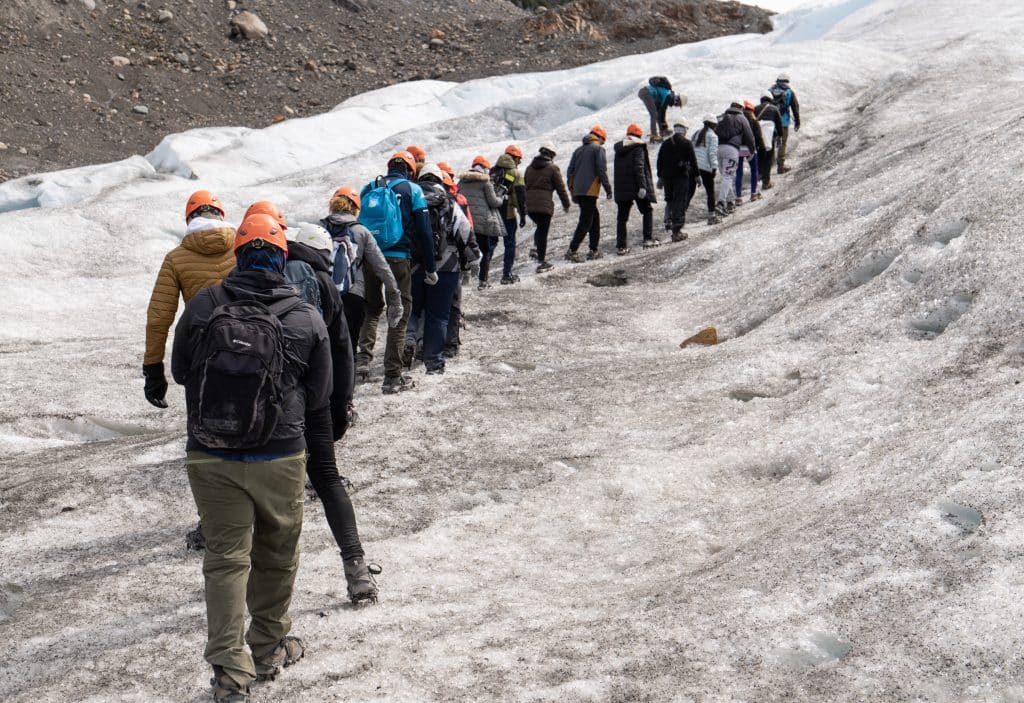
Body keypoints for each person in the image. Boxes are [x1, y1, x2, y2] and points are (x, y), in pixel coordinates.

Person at [171, 213, 333, 702]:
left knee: (225, 560)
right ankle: (266, 649)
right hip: (280, 456)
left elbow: (180, 371)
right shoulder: (305, 315)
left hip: (210, 453)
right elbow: (320, 393)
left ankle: (229, 671)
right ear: (283, 258)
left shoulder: (203, 306)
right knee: (277, 556)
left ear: (237, 254)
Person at [284, 222, 378, 603]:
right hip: (315, 402)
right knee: (327, 478)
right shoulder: (324, 285)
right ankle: (356, 568)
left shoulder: (251, 281)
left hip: (268, 405)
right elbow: (342, 350)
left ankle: (252, 579)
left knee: (269, 489)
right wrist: (340, 407)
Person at [143, 190, 235, 409]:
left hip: (200, 349)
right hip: (251, 343)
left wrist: (153, 369)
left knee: (203, 420)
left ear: (189, 219)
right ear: (221, 214)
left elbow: (159, 317)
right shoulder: (243, 248)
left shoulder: (176, 258)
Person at [356, 151, 436, 394]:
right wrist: (430, 267)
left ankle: (363, 361)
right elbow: (424, 231)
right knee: (400, 311)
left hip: (370, 256)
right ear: (410, 170)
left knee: (371, 308)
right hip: (399, 257)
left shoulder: (369, 187)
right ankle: (392, 376)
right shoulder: (413, 190)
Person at [406, 163, 479, 374]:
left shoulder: (411, 200)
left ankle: (409, 341)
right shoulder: (448, 202)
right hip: (447, 266)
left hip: (415, 264)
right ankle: (434, 363)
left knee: (413, 310)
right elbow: (464, 232)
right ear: (440, 179)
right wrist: (473, 260)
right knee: (438, 316)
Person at [319, 186, 403, 359]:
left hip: (323, 295)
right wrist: (394, 298)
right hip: (353, 295)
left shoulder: (319, 228)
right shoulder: (362, 232)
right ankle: (348, 384)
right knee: (348, 349)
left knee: (324, 350)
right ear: (356, 209)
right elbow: (382, 267)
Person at [437, 162, 473, 357]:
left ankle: (424, 344)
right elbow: (467, 231)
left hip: (423, 263)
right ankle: (451, 345)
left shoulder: (419, 199)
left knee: (429, 306)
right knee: (453, 304)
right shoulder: (457, 201)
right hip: (452, 261)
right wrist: (468, 261)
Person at [565, 125, 613, 262]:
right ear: (600, 138)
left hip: (579, 190)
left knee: (594, 218)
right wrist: (608, 188)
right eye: (602, 141)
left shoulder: (578, 150)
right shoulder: (598, 149)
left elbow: (570, 171)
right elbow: (601, 170)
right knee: (586, 220)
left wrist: (572, 189)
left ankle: (594, 249)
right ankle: (572, 250)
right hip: (590, 190)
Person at [458, 155, 505, 290]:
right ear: (485, 168)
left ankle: (463, 279)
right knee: (485, 251)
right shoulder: (486, 183)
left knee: (466, 250)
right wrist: (501, 196)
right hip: (482, 223)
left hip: (465, 222)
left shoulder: (461, 182)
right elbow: (494, 202)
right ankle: (483, 281)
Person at [523, 141, 571, 273]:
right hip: (544, 206)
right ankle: (541, 262)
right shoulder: (552, 168)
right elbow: (561, 188)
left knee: (540, 227)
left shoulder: (529, 168)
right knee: (543, 231)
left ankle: (536, 249)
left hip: (530, 206)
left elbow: (525, 185)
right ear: (551, 154)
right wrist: (566, 204)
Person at [612, 123, 658, 254]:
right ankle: (647, 239)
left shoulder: (620, 149)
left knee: (622, 218)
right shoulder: (638, 148)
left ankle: (621, 247)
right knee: (647, 211)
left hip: (622, 188)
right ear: (639, 135)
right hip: (636, 187)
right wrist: (643, 186)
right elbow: (639, 167)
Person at [656, 120, 699, 241]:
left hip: (667, 178)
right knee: (680, 201)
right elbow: (693, 161)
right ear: (684, 129)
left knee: (669, 199)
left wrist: (660, 176)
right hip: (681, 177)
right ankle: (676, 231)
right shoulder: (687, 143)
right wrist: (697, 175)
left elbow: (659, 161)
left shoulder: (666, 143)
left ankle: (668, 220)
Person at [492, 144, 527, 285]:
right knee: (509, 243)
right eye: (519, 160)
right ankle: (507, 274)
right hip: (507, 213)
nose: (519, 163)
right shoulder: (515, 173)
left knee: (490, 244)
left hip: (492, 212)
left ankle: (482, 277)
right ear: (515, 158)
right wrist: (523, 214)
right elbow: (520, 197)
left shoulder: (492, 171)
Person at [715, 101, 755, 215]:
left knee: (725, 177)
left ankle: (731, 202)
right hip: (731, 150)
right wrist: (751, 150)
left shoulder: (721, 117)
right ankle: (721, 203)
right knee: (728, 177)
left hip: (719, 148)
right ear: (741, 108)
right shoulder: (741, 118)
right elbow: (749, 135)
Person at [769, 73, 801, 174]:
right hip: (784, 122)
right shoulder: (789, 92)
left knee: (770, 144)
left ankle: (767, 167)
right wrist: (797, 121)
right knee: (782, 144)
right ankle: (780, 166)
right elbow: (795, 107)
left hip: (770, 122)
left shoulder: (769, 90)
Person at [637, 76, 684, 143]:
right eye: (678, 105)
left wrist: (664, 128)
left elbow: (660, 112)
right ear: (678, 100)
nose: (676, 106)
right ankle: (654, 135)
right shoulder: (669, 95)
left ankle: (662, 131)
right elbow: (662, 111)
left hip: (646, 92)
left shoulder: (667, 95)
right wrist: (665, 127)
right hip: (646, 93)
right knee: (654, 114)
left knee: (656, 113)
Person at [735, 101, 765, 203]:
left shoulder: (738, 119)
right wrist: (762, 148)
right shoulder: (753, 119)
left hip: (739, 148)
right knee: (754, 170)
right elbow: (759, 136)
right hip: (750, 148)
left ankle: (738, 197)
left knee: (739, 172)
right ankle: (753, 194)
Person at [692, 115, 720, 225]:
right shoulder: (712, 136)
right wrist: (714, 167)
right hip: (705, 167)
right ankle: (711, 216)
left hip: (694, 167)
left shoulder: (696, 133)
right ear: (714, 124)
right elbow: (712, 153)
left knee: (689, 192)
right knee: (710, 192)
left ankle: (679, 217)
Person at [755, 91, 783, 190]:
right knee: (768, 159)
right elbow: (780, 125)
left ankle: (759, 176)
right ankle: (766, 182)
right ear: (770, 99)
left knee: (759, 156)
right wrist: (780, 136)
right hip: (769, 137)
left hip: (758, 138)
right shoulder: (774, 109)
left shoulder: (755, 109)